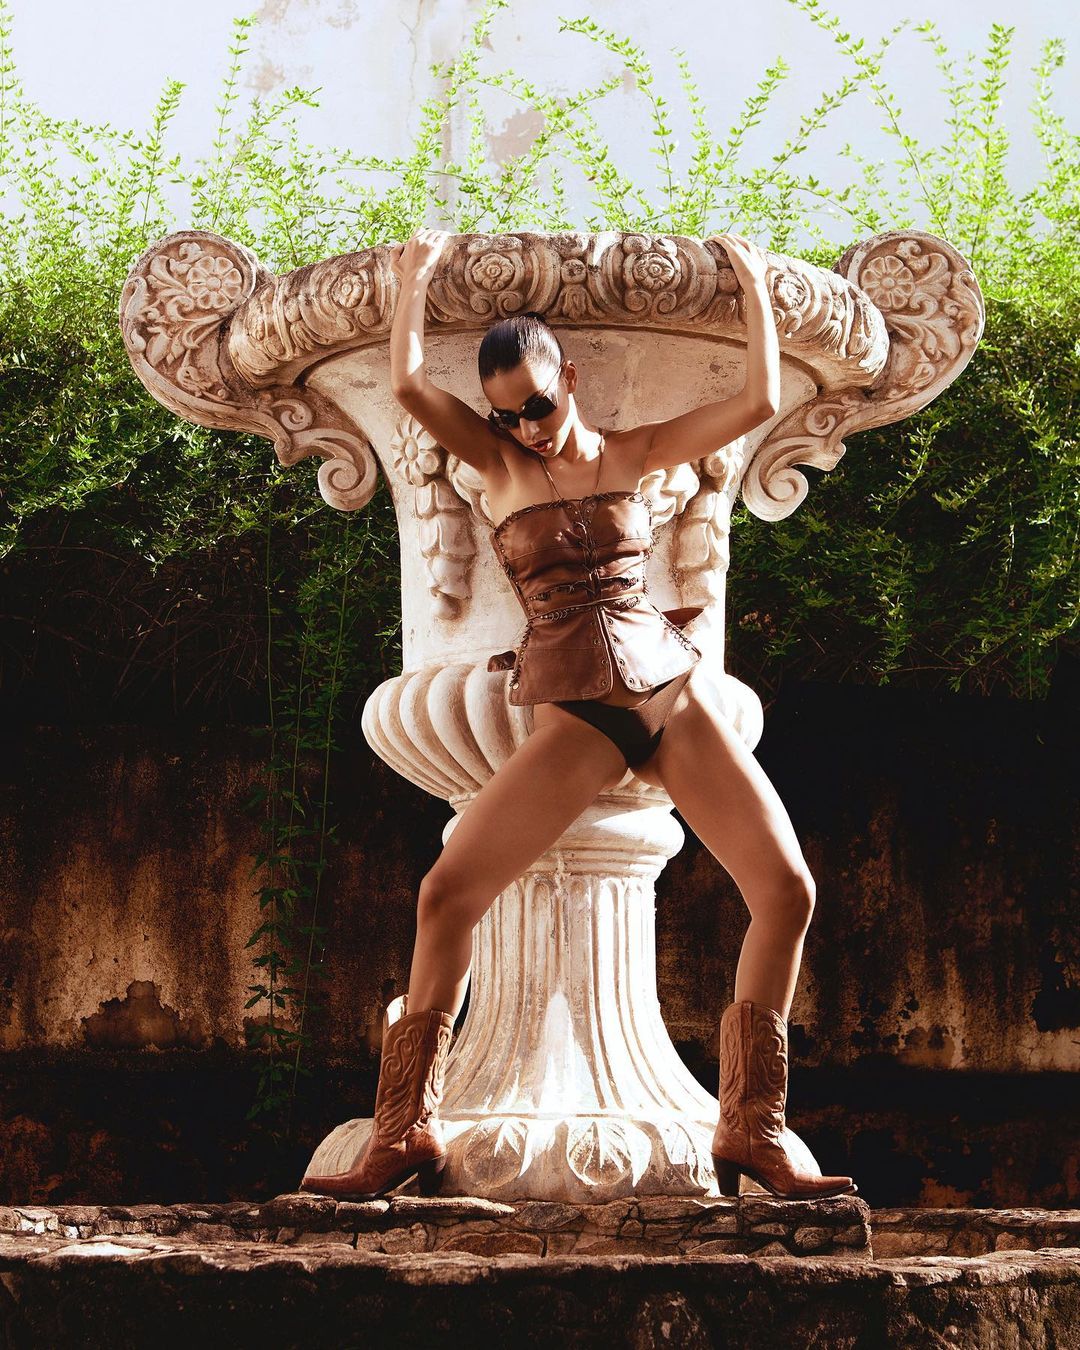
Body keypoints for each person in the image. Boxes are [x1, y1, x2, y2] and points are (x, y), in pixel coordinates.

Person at [300, 227, 857, 1203]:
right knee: (446, 894)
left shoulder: (636, 452)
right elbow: (409, 389)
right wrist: (414, 281)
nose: (528, 428)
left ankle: (752, 1128)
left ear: (572, 377)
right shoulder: (500, 465)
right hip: (585, 715)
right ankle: (404, 1130)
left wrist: (754, 286)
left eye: (539, 405)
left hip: (671, 693)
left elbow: (759, 402)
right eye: (508, 415)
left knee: (788, 890)